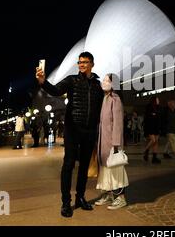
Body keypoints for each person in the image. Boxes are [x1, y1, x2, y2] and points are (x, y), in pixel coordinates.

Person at [35, 51, 104, 217]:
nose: (81, 65)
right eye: (79, 62)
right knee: (68, 165)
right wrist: (43, 82)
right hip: (73, 130)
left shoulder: (97, 85)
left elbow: (101, 108)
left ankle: (80, 197)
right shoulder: (71, 81)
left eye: (85, 62)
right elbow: (56, 90)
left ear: (92, 64)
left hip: (89, 131)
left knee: (84, 167)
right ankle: (66, 202)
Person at [95, 73, 129, 210]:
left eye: (107, 80)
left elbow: (118, 124)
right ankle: (109, 194)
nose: (103, 82)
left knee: (115, 169)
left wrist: (116, 144)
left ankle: (121, 198)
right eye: (103, 80)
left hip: (112, 143)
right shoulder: (105, 98)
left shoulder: (115, 99)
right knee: (106, 168)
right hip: (103, 141)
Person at [143, 96, 162, 164]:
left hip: (156, 127)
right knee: (153, 140)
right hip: (150, 127)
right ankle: (146, 150)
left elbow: (159, 118)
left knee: (156, 142)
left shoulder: (158, 108)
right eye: (157, 99)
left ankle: (154, 158)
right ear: (154, 100)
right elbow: (147, 118)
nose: (158, 101)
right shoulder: (149, 107)